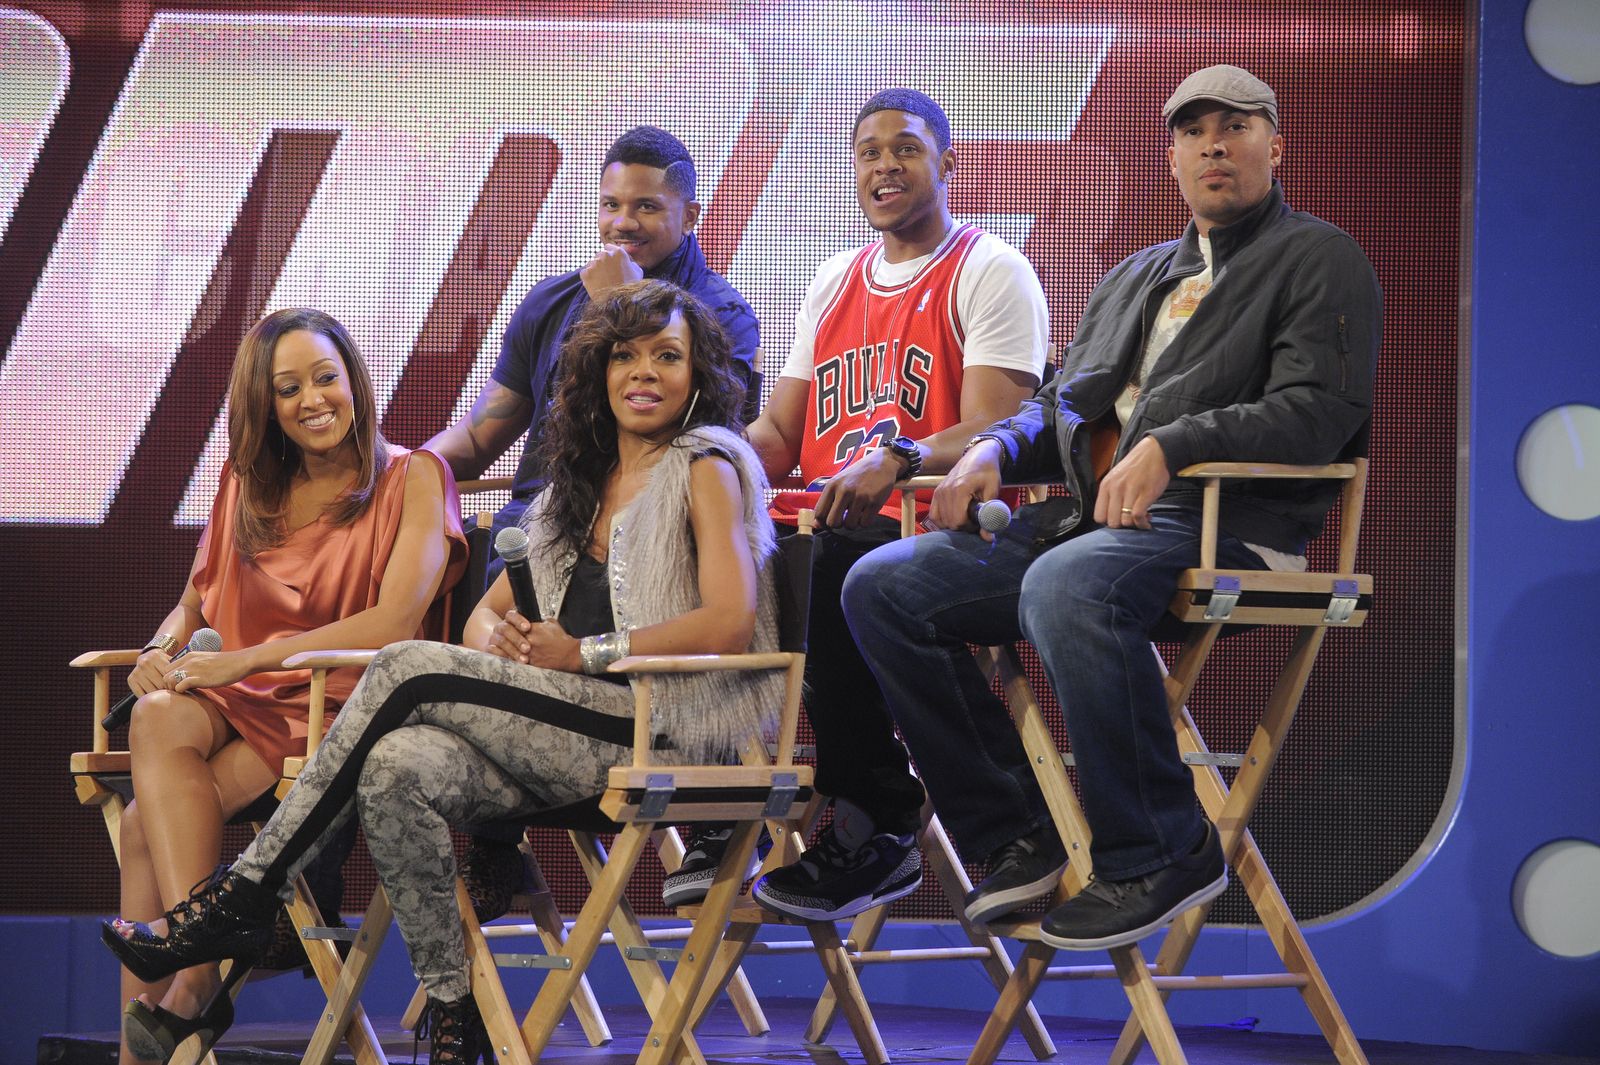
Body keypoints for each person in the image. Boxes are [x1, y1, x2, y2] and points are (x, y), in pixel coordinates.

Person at [101, 280, 783, 1065]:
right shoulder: (580, 482)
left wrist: (584, 652)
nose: (645, 372)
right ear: (597, 370)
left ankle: (245, 893)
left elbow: (729, 621)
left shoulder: (706, 466)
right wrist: (504, 639)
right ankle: (457, 1013)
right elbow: (483, 616)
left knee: (404, 663)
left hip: (655, 724)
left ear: (699, 374)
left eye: (667, 356)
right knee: (394, 764)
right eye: (625, 355)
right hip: (562, 724)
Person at [840, 65, 1381, 947]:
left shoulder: (1318, 256)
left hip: (1228, 525)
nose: (1213, 144)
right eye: (1193, 131)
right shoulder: (1136, 274)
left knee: (1066, 584)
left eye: (1236, 126)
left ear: (1275, 147)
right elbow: (1060, 403)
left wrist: (1173, 446)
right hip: (1096, 526)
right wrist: (992, 447)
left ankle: (1159, 849)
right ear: (1172, 159)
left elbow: (1318, 411)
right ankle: (1016, 833)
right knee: (882, 584)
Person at [667, 87, 1048, 921]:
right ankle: (719, 803)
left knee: (823, 563)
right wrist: (691, 466)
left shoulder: (990, 268)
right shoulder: (836, 277)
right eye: (869, 152)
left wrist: (895, 456)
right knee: (679, 545)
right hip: (823, 522)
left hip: (942, 525)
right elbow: (779, 432)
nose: (885, 165)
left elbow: (999, 427)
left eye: (905, 148)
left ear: (948, 163)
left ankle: (875, 814)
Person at [106, 308, 468, 1062]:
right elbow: (193, 604)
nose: (313, 399)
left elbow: (396, 622)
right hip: (244, 694)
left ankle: (177, 1004)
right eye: (289, 387)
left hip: (342, 701)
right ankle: (200, 967)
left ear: (354, 380)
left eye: (326, 377)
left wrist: (249, 660)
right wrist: (159, 649)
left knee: (141, 823)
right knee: (155, 713)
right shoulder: (246, 483)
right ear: (265, 405)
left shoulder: (415, 476)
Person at [426, 124, 760, 920]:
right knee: (480, 545)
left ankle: (505, 819)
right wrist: (405, 471)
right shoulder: (551, 299)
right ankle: (492, 838)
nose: (621, 223)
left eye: (645, 207)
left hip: (647, 538)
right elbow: (482, 432)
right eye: (610, 205)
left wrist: (619, 303)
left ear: (690, 214)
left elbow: (717, 434)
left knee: (435, 651)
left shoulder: (717, 311)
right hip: (548, 522)